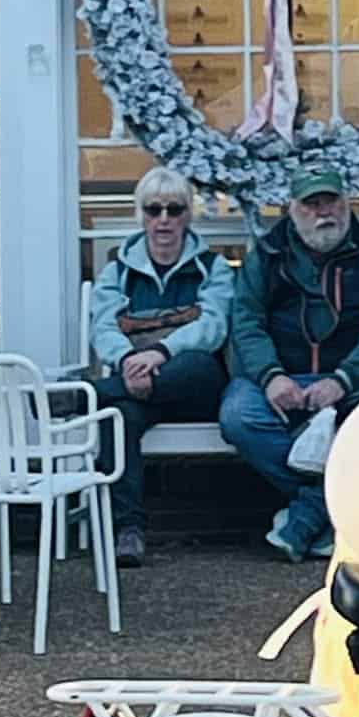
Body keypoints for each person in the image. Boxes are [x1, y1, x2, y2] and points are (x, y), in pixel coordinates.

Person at [220, 164, 359, 562]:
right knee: (238, 415)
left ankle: (307, 513)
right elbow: (246, 320)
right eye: (312, 203)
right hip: (282, 379)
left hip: (355, 380)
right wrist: (271, 376)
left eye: (332, 200)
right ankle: (334, 507)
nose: (324, 211)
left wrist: (344, 378)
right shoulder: (267, 254)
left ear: (347, 202)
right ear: (291, 208)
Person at [90, 167, 234, 567]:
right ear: (142, 215)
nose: (164, 220)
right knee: (116, 416)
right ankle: (129, 530)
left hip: (195, 388)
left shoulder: (213, 267)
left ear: (188, 214)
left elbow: (214, 325)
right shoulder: (118, 270)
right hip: (139, 390)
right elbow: (102, 326)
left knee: (195, 364)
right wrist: (127, 362)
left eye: (175, 209)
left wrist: (160, 355)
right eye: (155, 210)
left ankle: (83, 395)